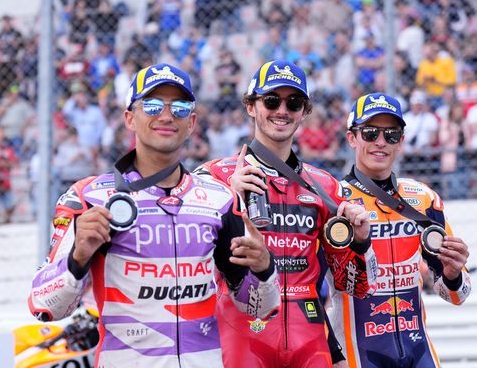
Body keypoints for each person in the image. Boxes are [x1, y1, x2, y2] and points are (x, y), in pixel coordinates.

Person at [29, 63, 281, 368]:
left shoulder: (220, 198)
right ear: (129, 119)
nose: (166, 115)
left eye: (179, 107)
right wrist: (77, 259)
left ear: (191, 123)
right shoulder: (88, 197)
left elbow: (259, 309)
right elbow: (43, 306)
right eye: (151, 105)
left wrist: (265, 269)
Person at [196, 60, 377, 368]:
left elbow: (355, 285)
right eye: (271, 101)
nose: (282, 110)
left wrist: (360, 242)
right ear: (251, 106)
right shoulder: (213, 177)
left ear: (304, 112)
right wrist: (226, 199)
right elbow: (187, 261)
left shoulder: (325, 186)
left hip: (308, 334)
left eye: (293, 103)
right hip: (241, 330)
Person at [331, 92, 471, 368]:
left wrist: (453, 274)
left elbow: (457, 295)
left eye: (391, 135)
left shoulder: (423, 198)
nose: (380, 142)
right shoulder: (333, 199)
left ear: (401, 142)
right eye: (370, 133)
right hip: (358, 354)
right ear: (351, 138)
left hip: (418, 351)